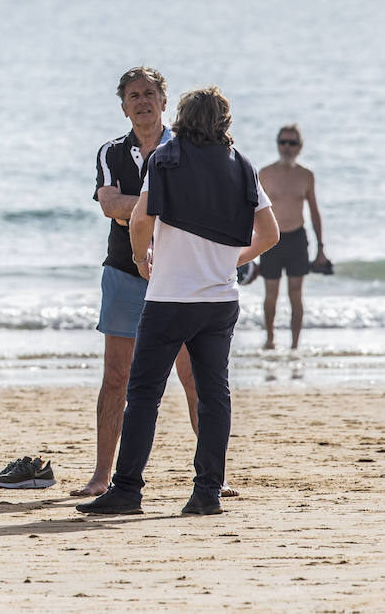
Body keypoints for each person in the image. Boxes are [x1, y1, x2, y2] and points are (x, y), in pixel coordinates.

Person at [79, 87, 279, 516]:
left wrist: (140, 256)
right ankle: (207, 492)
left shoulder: (166, 160)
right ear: (223, 121)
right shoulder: (242, 164)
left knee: (144, 393)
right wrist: (234, 259)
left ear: (183, 117)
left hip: (170, 297)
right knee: (213, 395)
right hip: (221, 297)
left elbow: (140, 219)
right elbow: (270, 234)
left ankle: (128, 490)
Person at [74, 67, 204, 498]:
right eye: (134, 95)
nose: (142, 101)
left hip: (179, 274)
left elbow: (190, 207)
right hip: (124, 273)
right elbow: (110, 206)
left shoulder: (188, 149)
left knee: (193, 376)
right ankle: (100, 476)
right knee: (116, 377)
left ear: (164, 102)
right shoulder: (111, 152)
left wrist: (142, 209)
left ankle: (209, 476)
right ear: (123, 105)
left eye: (150, 94)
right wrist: (159, 207)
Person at [258, 124, 328, 350]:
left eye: (292, 143)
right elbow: (253, 211)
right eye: (283, 142)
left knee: (296, 294)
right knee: (271, 294)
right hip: (271, 239)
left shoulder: (306, 175)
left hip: (297, 239)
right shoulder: (264, 174)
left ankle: (295, 346)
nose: (287, 147)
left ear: (300, 146)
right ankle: (270, 339)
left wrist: (321, 247)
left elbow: (314, 212)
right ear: (277, 144)